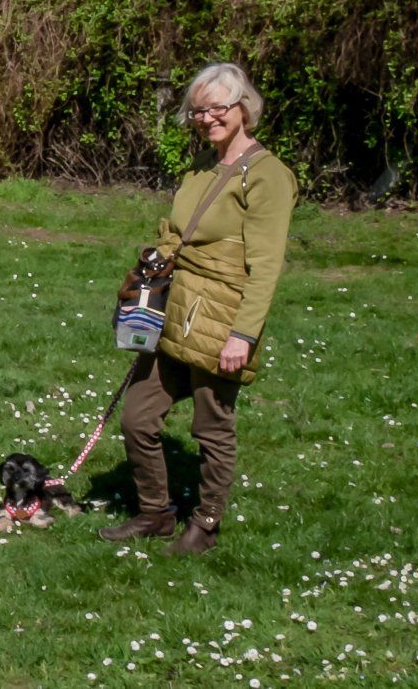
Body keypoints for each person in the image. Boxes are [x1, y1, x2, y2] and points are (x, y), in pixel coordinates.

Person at [99, 62, 296, 555]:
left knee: (211, 427)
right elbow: (177, 233)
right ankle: (155, 512)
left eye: (217, 109)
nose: (207, 119)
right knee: (138, 417)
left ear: (243, 108)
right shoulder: (202, 166)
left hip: (220, 317)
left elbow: (266, 266)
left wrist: (242, 335)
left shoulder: (268, 176)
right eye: (198, 112)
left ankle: (205, 525)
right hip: (174, 308)